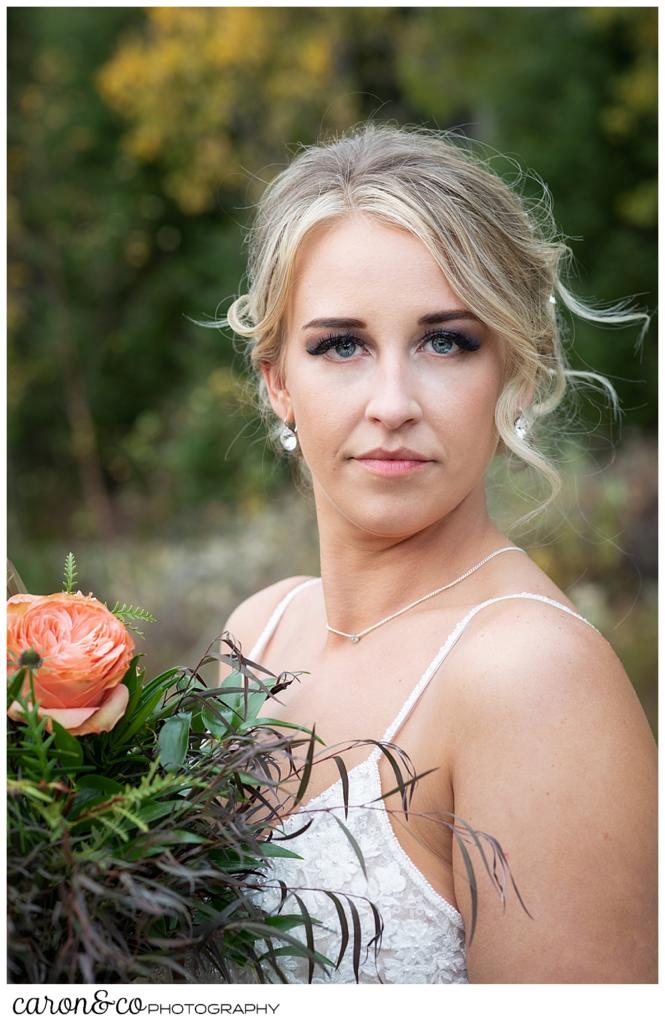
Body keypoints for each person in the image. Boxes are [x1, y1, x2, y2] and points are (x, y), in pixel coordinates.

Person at [211, 122, 656, 984]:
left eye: (445, 341)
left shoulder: (530, 676)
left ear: (514, 372)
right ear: (276, 379)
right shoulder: (257, 634)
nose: (391, 402)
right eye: (341, 344)